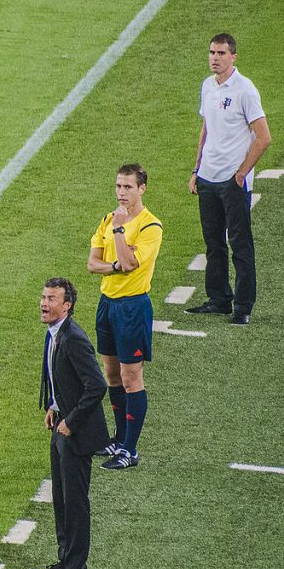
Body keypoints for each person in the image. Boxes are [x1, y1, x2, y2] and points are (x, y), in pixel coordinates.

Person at [29, 278, 109, 569]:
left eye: (52, 298)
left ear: (67, 305)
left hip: (75, 432)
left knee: (75, 503)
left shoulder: (73, 338)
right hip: (61, 423)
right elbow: (61, 378)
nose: (44, 303)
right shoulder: (56, 334)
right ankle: (65, 562)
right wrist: (54, 405)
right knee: (61, 499)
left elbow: (97, 385)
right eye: (43, 296)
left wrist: (71, 421)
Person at [185, 33, 271, 326]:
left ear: (233, 56)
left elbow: (264, 137)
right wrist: (197, 170)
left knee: (240, 244)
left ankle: (243, 306)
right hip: (208, 177)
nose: (215, 58)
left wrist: (242, 172)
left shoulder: (245, 90)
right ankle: (219, 299)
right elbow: (206, 128)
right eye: (211, 52)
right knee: (213, 243)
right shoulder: (207, 86)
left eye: (221, 53)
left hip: (233, 182)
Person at [87, 164, 163, 470]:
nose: (121, 192)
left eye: (128, 187)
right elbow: (93, 264)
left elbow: (131, 263)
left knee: (132, 379)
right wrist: (116, 265)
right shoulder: (107, 218)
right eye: (118, 186)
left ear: (142, 189)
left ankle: (129, 450)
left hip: (133, 307)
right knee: (112, 374)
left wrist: (119, 232)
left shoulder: (150, 227)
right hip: (107, 304)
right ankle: (119, 439)